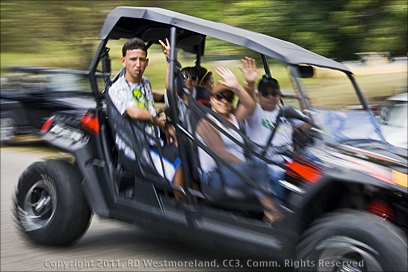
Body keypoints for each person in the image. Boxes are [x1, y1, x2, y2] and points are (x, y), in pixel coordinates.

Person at [196, 66, 283, 224]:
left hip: (236, 172)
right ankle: (271, 213)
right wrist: (249, 168)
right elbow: (220, 153)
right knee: (259, 166)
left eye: (229, 98)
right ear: (211, 99)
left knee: (277, 172)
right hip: (214, 177)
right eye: (219, 97)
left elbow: (250, 105)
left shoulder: (233, 117)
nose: (224, 101)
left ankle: (283, 211)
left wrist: (246, 84)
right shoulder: (206, 122)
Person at [107, 37, 183, 197]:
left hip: (155, 142)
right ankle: (186, 214)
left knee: (187, 156)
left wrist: (170, 61)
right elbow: (135, 112)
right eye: (133, 59)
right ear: (123, 61)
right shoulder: (118, 88)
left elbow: (163, 93)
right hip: (137, 148)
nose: (138, 64)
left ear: (147, 62)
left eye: (142, 59)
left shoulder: (145, 83)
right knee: (179, 174)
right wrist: (163, 124)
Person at [241, 57, 312, 199]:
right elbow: (247, 100)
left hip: (288, 161)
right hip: (265, 163)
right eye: (265, 93)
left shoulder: (286, 112)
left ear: (279, 95)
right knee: (279, 175)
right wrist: (250, 83)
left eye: (274, 93)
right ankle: (278, 213)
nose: (270, 97)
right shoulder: (254, 111)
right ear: (258, 95)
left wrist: (309, 108)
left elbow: (308, 125)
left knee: (314, 173)